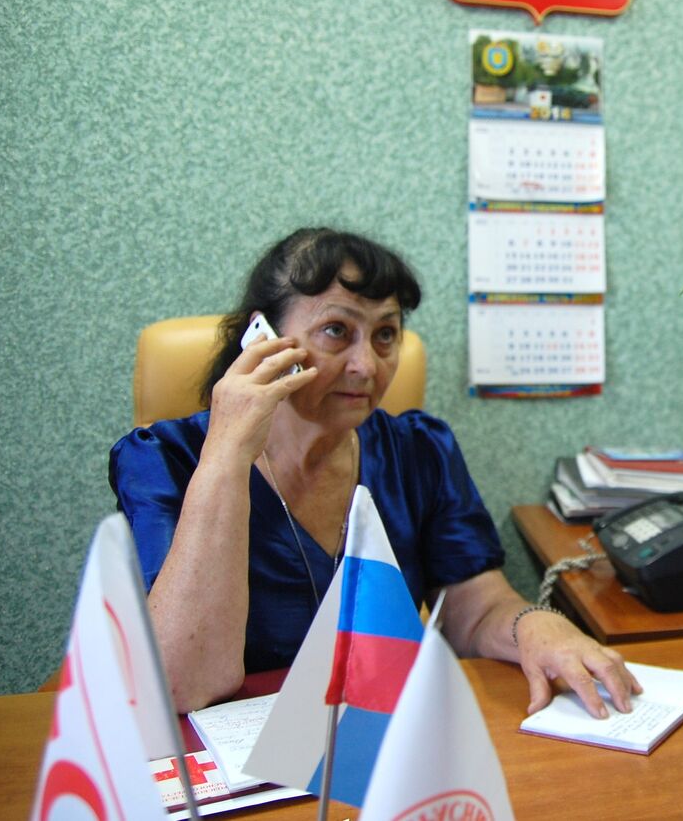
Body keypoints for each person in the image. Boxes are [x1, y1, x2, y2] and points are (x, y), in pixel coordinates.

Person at [109, 227, 641, 718]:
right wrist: (226, 455)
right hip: (232, 755)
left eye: (385, 335)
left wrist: (535, 625)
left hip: (378, 734)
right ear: (262, 337)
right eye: (337, 331)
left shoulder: (419, 450)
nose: (367, 365)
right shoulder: (165, 459)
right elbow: (183, 681)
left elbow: (474, 609)